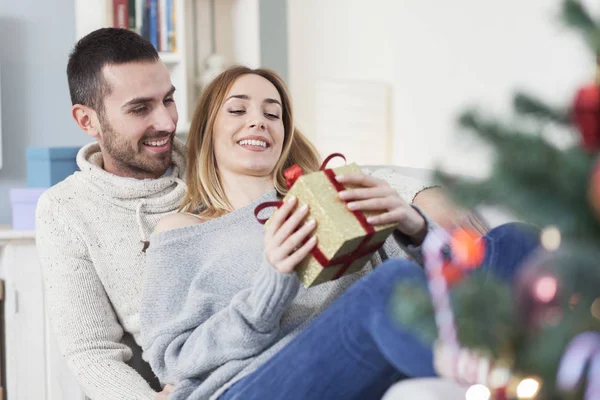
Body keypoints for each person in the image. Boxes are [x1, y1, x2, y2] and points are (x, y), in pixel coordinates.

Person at [139, 66, 538, 400]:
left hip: (366, 355)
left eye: (272, 114)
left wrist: (415, 229)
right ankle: (504, 378)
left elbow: (428, 290)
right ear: (207, 128)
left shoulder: (327, 201)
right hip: (250, 384)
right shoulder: (182, 230)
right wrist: (273, 281)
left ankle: (519, 371)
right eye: (238, 110)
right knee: (390, 286)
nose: (258, 121)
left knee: (515, 241)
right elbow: (170, 358)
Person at [35, 28, 183, 399]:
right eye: (140, 108)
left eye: (168, 100)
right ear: (87, 121)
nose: (166, 122)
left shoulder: (215, 160)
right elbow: (92, 350)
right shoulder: (64, 210)